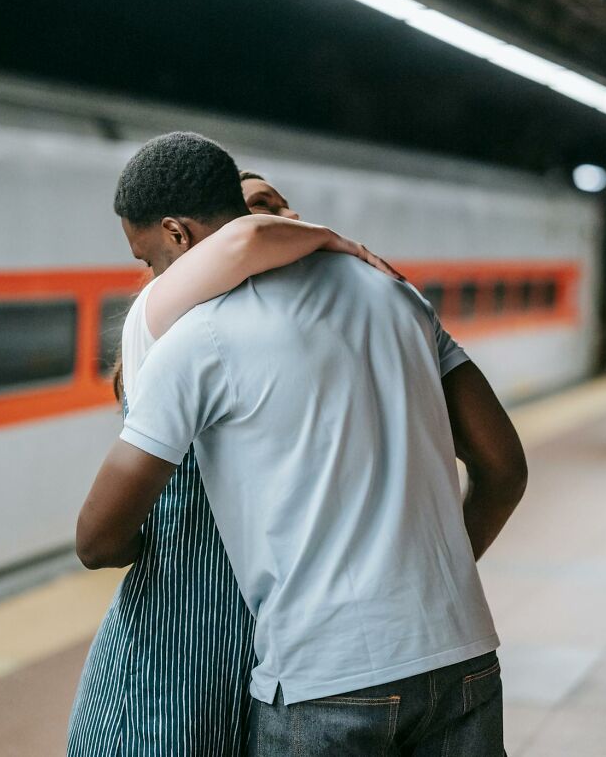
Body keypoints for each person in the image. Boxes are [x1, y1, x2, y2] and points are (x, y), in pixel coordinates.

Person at [77, 132, 527, 756]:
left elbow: (96, 540)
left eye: (147, 258)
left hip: (324, 673)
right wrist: (436, 575)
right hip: (462, 653)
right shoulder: (396, 295)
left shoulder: (190, 337)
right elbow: (504, 468)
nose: (151, 274)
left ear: (178, 234)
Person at [68, 159, 398, 757]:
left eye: (277, 204)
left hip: (263, 655)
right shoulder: (170, 330)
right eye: (256, 210)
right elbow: (96, 541)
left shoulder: (307, 340)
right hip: (168, 666)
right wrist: (332, 238)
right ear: (195, 239)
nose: (276, 223)